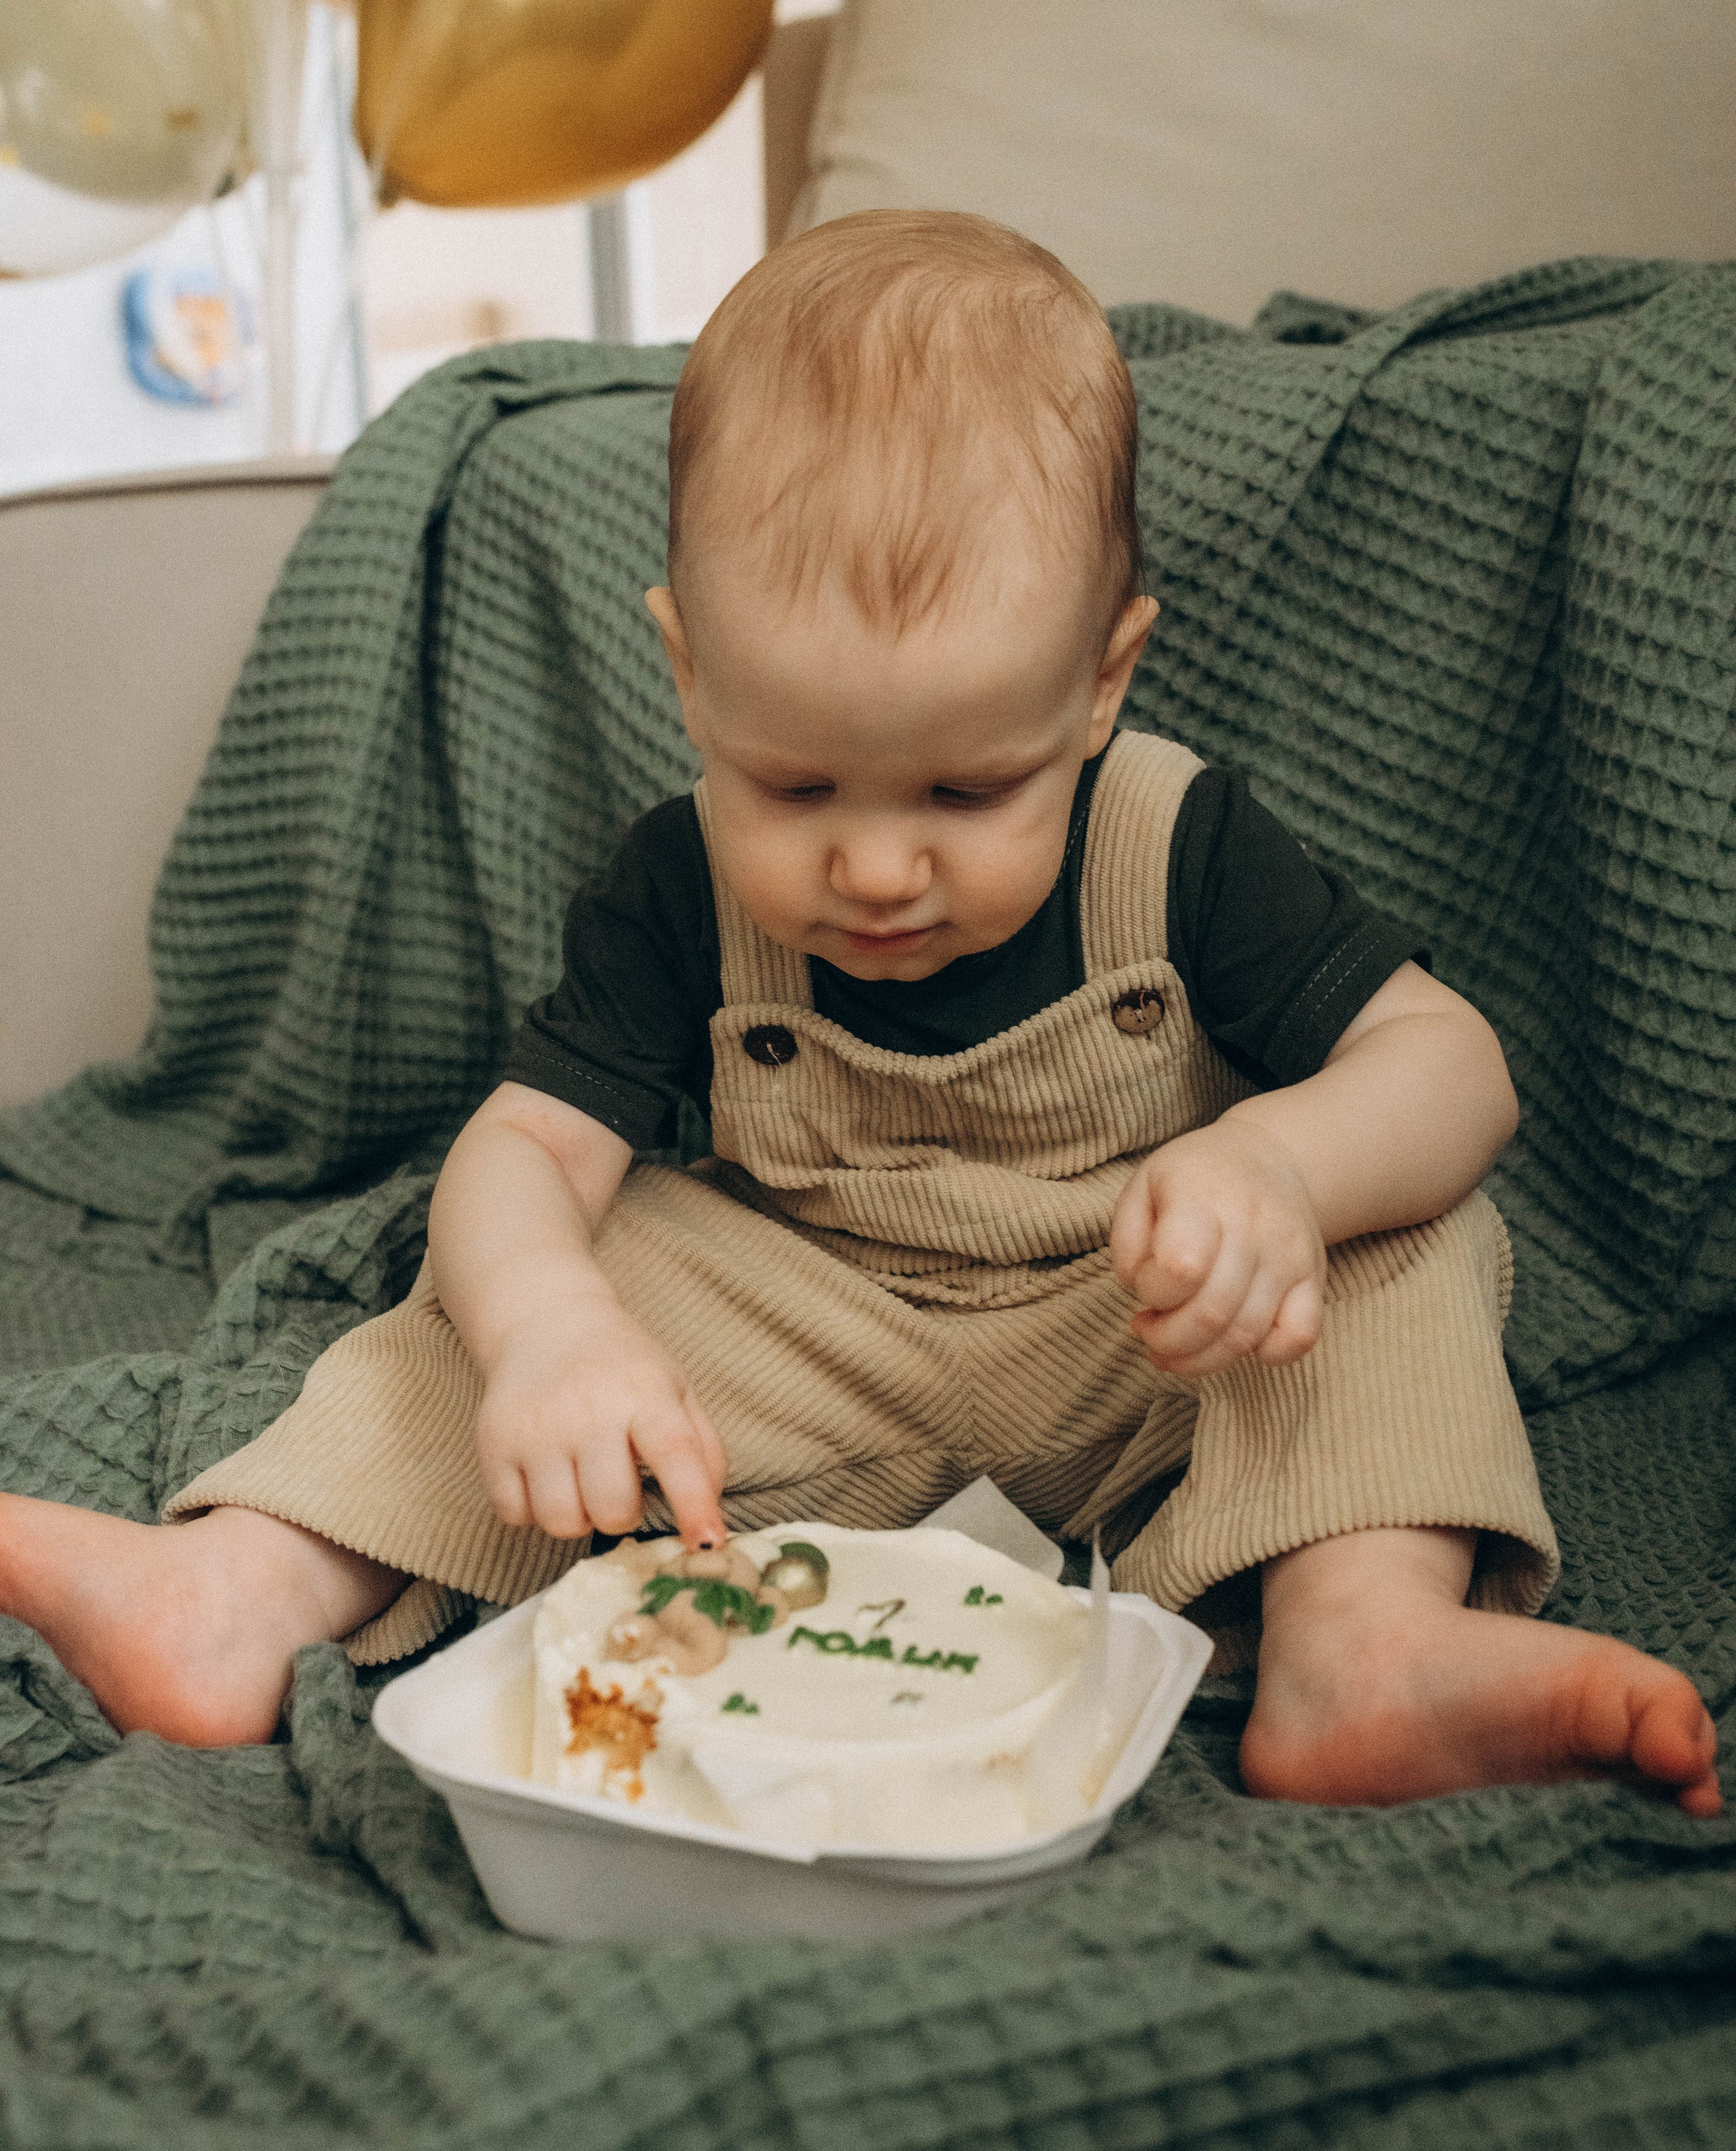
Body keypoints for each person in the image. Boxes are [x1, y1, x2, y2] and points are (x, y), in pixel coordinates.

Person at [1, 212, 1718, 1817]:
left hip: (1144, 1350)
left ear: (1102, 680)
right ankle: (240, 1589)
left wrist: (1280, 1168)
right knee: (491, 1286)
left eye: (968, 790)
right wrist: (547, 1332)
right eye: (796, 781)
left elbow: (1452, 1066)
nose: (876, 868)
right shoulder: (675, 883)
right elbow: (524, 1143)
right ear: (689, 673)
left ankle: (1362, 1644)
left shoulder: (1176, 838)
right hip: (791, 1368)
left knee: (1410, 1242)